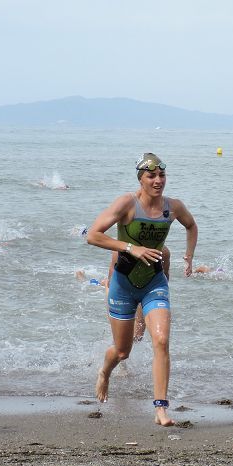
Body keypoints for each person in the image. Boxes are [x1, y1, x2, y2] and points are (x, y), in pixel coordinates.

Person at [86, 153, 198, 426]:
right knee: (123, 351)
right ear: (141, 179)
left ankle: (161, 409)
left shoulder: (173, 207)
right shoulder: (127, 204)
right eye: (152, 176)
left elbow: (191, 226)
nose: (158, 181)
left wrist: (189, 256)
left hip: (154, 283)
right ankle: (104, 372)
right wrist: (129, 247)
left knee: (160, 341)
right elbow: (93, 234)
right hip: (122, 286)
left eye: (162, 175)